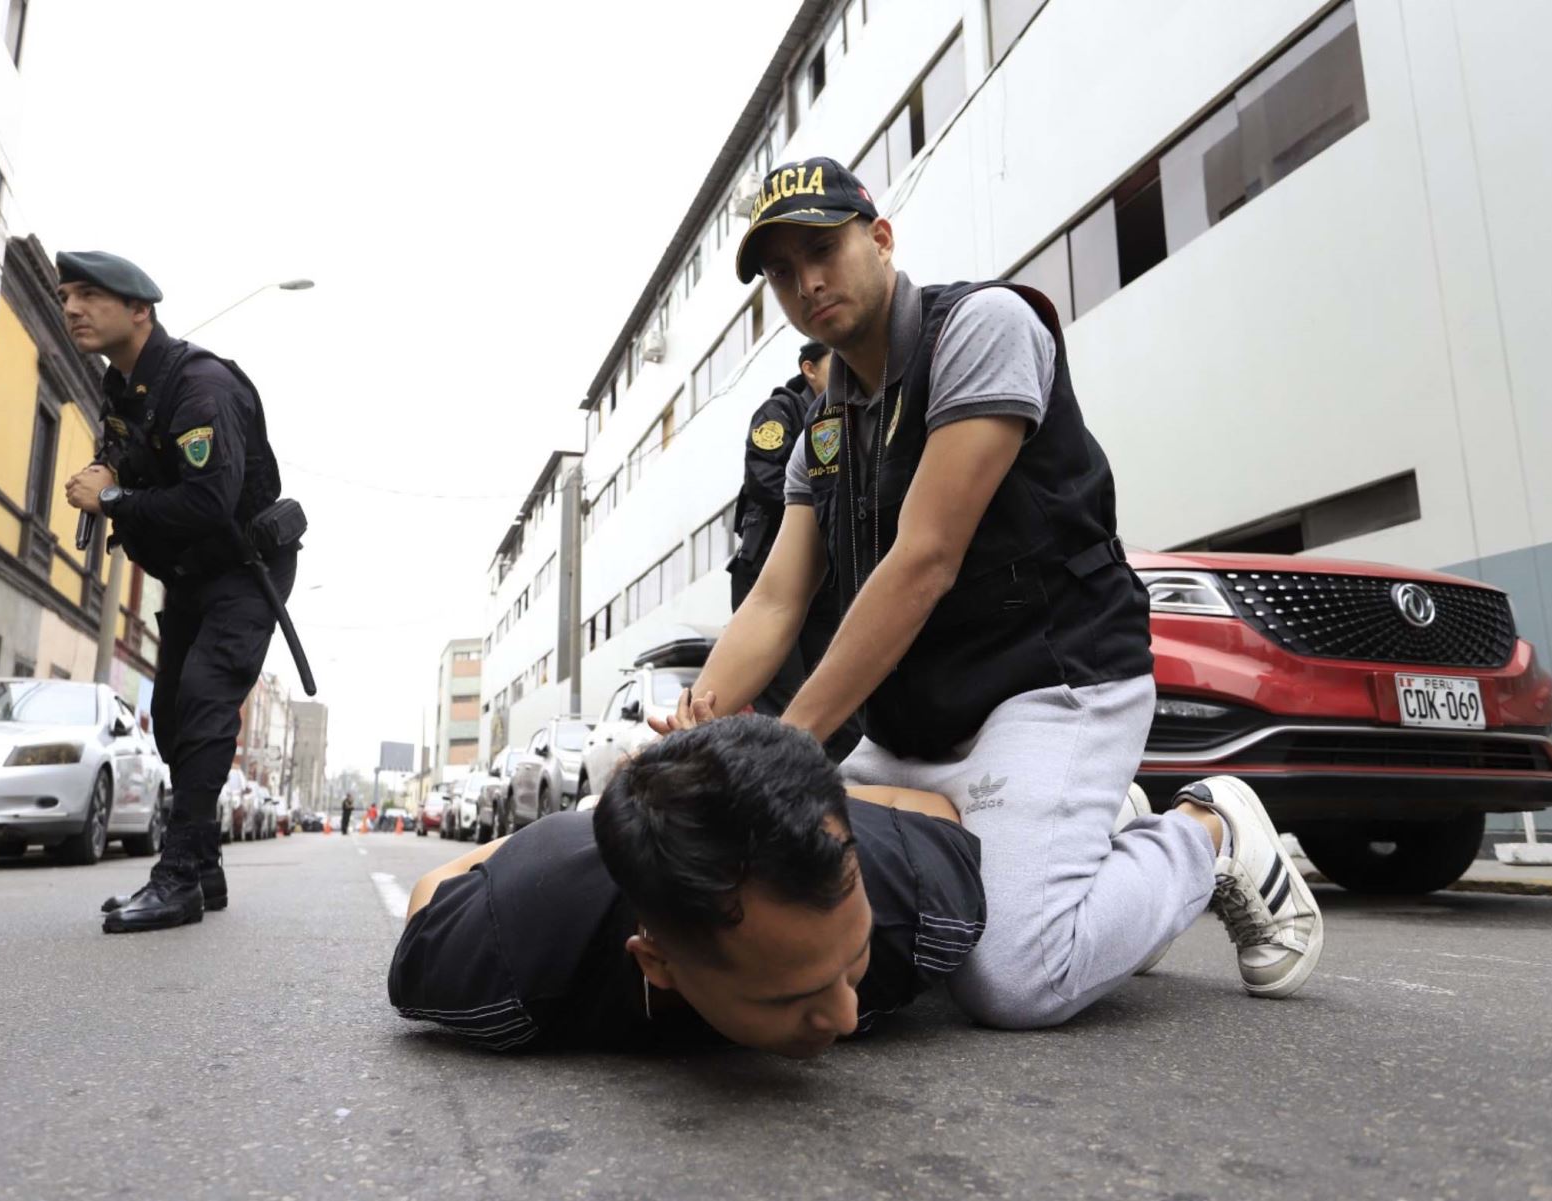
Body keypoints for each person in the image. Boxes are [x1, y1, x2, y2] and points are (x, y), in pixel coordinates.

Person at [659, 157, 1323, 1029]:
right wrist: (702, 719)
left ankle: (1209, 833)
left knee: (1012, 977)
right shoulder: (823, 426)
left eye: (822, 247)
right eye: (781, 271)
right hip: (915, 733)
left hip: (1051, 690)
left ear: (881, 238)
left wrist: (784, 745)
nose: (806, 280)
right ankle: (1088, 831)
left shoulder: (982, 329)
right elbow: (778, 600)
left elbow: (924, 561)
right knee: (791, 877)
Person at [389, 716, 983, 1057]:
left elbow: (927, 805)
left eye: (856, 960)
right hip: (568, 851)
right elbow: (434, 887)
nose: (847, 1016)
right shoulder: (508, 961)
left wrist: (769, 794)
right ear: (658, 963)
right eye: (789, 998)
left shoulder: (922, 907)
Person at [60, 251, 299, 934]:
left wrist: (111, 497)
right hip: (193, 573)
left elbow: (207, 501)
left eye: (89, 295)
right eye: (65, 295)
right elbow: (133, 454)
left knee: (203, 699)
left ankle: (177, 878)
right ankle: (205, 866)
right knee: (167, 714)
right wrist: (112, 468)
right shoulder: (124, 387)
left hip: (245, 566)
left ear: (140, 310)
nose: (72, 307)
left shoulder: (200, 386)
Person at [728, 341, 860, 762]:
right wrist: (825, 498)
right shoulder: (780, 414)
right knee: (782, 702)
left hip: (823, 579)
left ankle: (837, 790)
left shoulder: (849, 413)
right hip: (767, 569)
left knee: (837, 695)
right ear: (809, 369)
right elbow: (765, 480)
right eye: (833, 362)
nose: (845, 370)